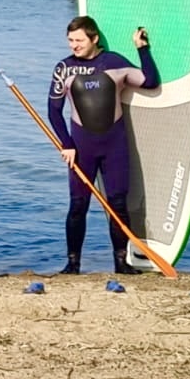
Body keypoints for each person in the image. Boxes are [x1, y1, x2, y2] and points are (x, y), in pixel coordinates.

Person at [48, 15, 158, 275]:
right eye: (70, 40)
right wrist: (67, 143)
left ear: (94, 39)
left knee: (118, 203)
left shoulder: (114, 62)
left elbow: (151, 82)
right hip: (81, 148)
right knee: (78, 206)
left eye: (79, 40)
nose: (74, 46)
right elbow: (54, 111)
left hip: (114, 147)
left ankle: (121, 262)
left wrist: (142, 49)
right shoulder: (64, 68)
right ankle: (73, 264)